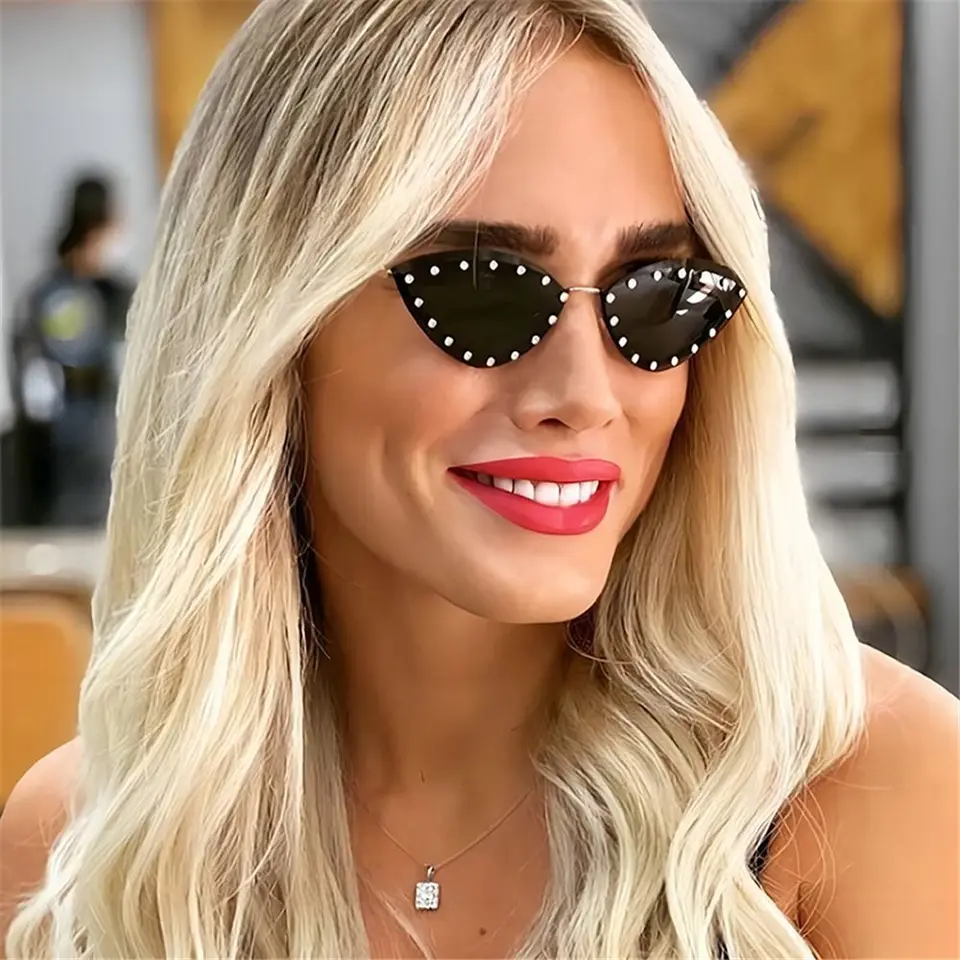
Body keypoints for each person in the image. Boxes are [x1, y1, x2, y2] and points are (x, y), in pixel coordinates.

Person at [2, 1, 957, 957]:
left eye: (656, 295)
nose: (584, 395)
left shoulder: (876, 792)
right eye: (482, 289)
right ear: (272, 326)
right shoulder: (81, 851)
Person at [9, 174, 132, 526]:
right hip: (72, 456)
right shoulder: (58, 297)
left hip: (105, 448)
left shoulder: (116, 292)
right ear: (97, 227)